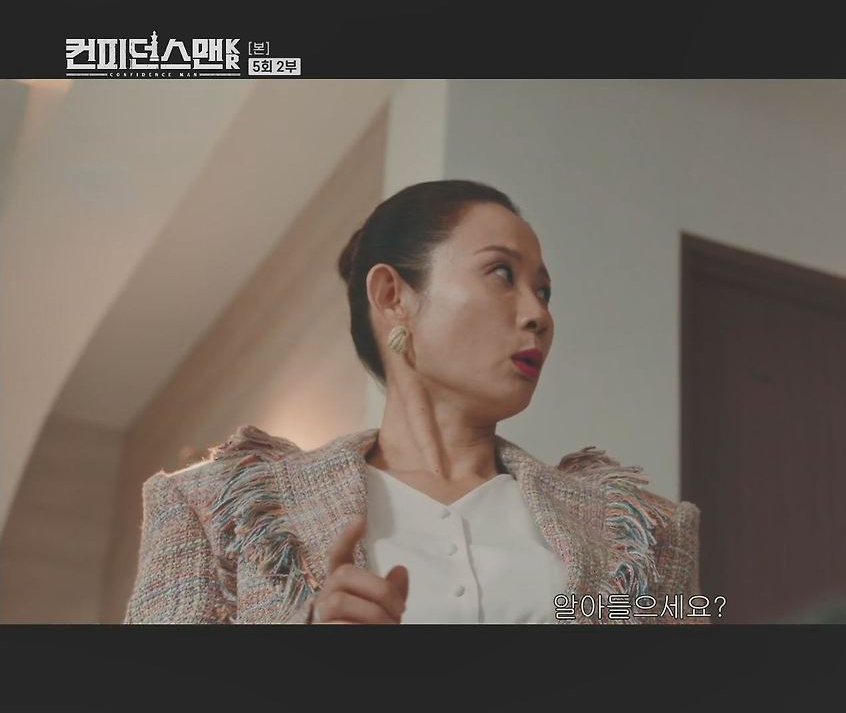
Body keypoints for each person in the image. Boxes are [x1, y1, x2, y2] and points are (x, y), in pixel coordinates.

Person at [125, 180, 703, 624]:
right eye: (502, 274)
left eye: (544, 291)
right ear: (392, 296)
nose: (538, 315)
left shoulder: (646, 534)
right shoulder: (212, 510)